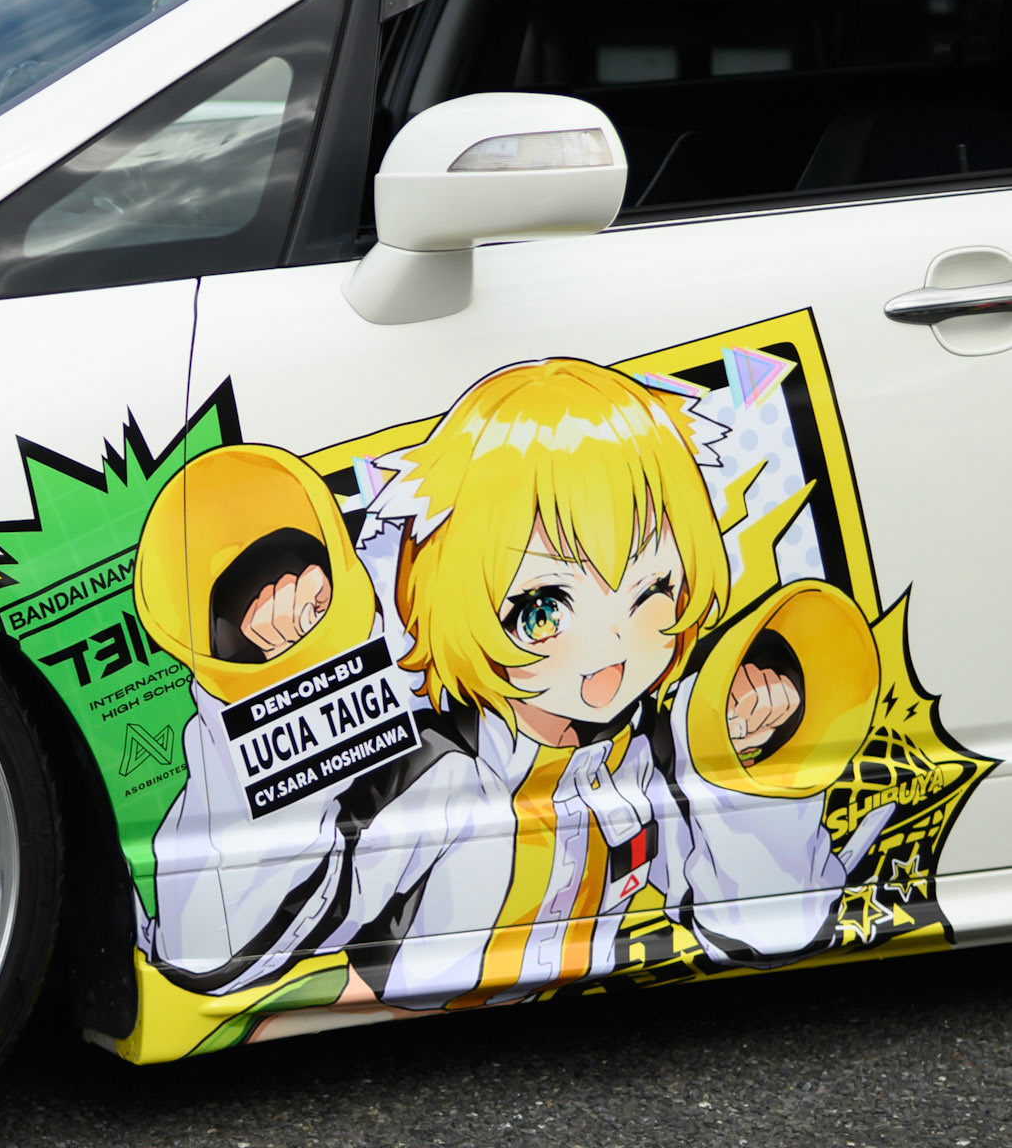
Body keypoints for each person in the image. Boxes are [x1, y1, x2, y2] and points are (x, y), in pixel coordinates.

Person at [143, 357, 890, 1011]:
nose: (613, 649)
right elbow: (213, 949)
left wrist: (745, 774)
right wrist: (287, 692)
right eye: (542, 608)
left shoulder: (644, 766)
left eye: (654, 591)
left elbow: (770, 927)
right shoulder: (430, 778)